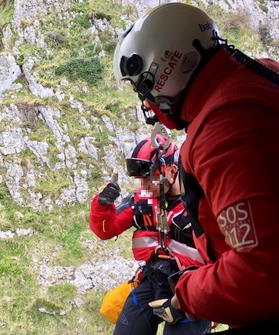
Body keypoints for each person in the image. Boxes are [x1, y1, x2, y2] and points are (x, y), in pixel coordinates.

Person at [112, 2, 279, 333]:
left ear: (165, 70)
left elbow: (261, 271)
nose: (147, 103)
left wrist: (187, 294)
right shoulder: (259, 76)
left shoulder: (224, 132)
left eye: (145, 88)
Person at [90, 135, 210, 335]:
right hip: (152, 281)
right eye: (140, 180)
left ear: (171, 171)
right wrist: (102, 206)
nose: (143, 186)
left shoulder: (202, 203)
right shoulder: (143, 201)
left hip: (191, 290)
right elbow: (106, 230)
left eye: (149, 179)